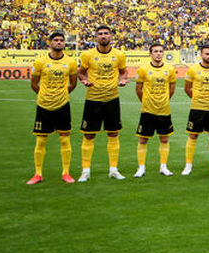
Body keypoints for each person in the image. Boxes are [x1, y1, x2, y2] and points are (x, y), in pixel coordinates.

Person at [78, 25, 128, 181]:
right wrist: (84, 80)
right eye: (100, 34)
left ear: (111, 36)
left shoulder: (119, 55)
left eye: (106, 33)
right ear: (96, 37)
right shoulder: (88, 54)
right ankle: (85, 171)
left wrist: (123, 79)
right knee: (89, 135)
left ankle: (113, 169)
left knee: (113, 134)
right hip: (93, 99)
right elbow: (80, 71)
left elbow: (123, 71)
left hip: (112, 99)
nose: (103, 36)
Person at [27, 31, 78, 184]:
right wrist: (45, 95)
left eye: (61, 40)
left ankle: (66, 173)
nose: (59, 42)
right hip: (43, 105)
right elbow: (34, 84)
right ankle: (37, 174)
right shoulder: (40, 62)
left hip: (63, 105)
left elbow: (73, 83)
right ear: (50, 43)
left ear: (64, 43)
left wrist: (61, 94)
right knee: (41, 140)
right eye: (55, 40)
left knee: (64, 139)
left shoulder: (71, 62)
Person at [134, 42, 176, 178]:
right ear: (150, 54)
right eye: (155, 51)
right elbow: (138, 89)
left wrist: (163, 100)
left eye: (160, 51)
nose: (158, 54)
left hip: (164, 110)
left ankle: (163, 167)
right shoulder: (143, 69)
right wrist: (146, 101)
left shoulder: (169, 69)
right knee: (143, 140)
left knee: (164, 139)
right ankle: (141, 168)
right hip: (147, 111)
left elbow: (172, 89)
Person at [184, 42, 209, 174]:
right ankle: (188, 165)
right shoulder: (193, 70)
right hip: (197, 108)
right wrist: (197, 98)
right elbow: (187, 88)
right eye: (207, 54)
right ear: (201, 55)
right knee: (193, 135)